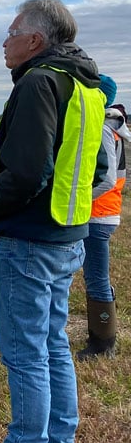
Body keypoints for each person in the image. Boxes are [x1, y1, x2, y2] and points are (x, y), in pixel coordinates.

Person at [0, 0, 107, 443]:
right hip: (70, 235)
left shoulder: (38, 81)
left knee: (26, 354)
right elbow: (97, 172)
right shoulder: (88, 88)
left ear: (35, 40)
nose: (3, 42)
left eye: (10, 32)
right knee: (52, 346)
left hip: (31, 238)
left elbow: (26, 171)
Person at [77, 76, 130, 359]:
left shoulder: (102, 128)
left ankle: (102, 344)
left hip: (97, 214)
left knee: (96, 277)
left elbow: (107, 179)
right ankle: (102, 338)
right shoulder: (115, 127)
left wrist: (78, 199)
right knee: (96, 275)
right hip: (103, 212)